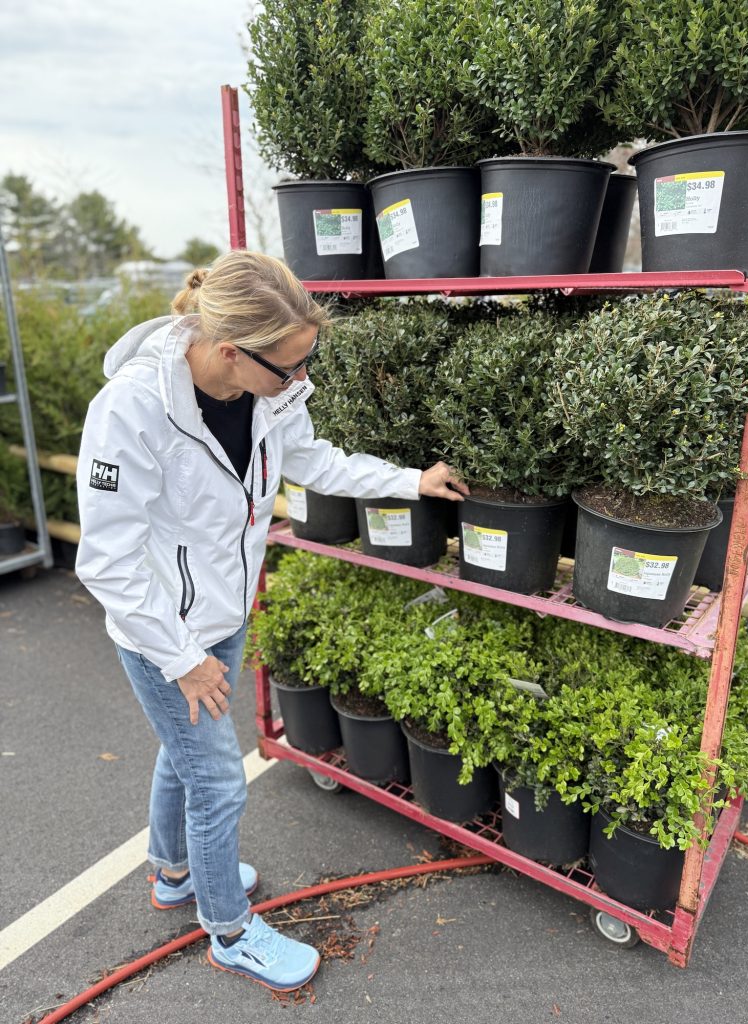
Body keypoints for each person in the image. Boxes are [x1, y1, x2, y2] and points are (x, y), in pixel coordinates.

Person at [75, 250, 468, 994]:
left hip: (223, 614)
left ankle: (174, 873)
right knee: (218, 781)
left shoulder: (271, 393)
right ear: (231, 350)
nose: (301, 378)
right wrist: (183, 658)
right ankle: (229, 932)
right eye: (289, 366)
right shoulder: (130, 410)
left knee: (185, 755)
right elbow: (107, 563)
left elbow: (313, 461)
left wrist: (410, 481)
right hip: (164, 637)